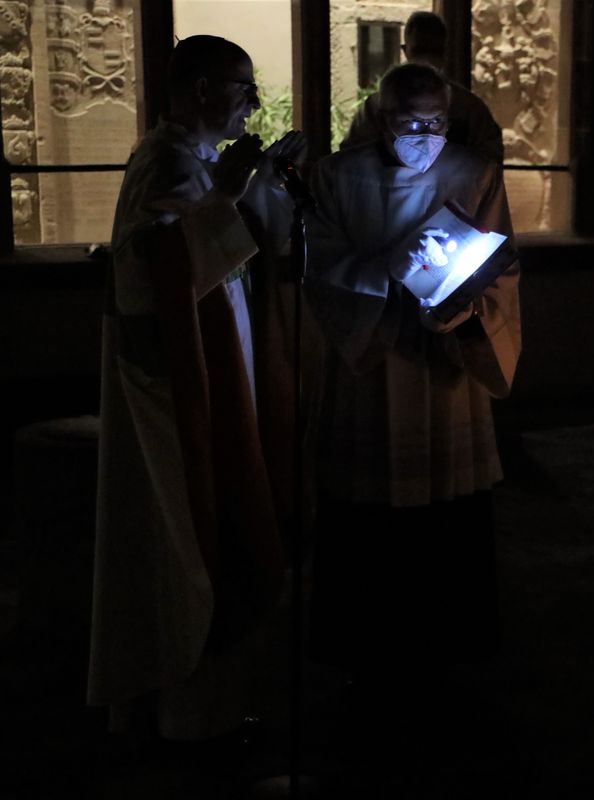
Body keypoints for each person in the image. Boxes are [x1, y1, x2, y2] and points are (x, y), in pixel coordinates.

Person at [88, 35, 306, 745]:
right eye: (244, 89)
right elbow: (156, 271)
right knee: (185, 532)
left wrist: (260, 182)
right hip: (173, 385)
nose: (253, 104)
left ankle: (219, 701)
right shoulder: (165, 159)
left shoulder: (197, 157)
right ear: (203, 89)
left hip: (215, 360)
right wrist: (227, 196)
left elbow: (229, 243)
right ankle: (187, 712)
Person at [304, 62, 519, 774]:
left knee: (443, 526)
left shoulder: (475, 174)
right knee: (370, 523)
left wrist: (461, 308)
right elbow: (320, 266)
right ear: (380, 118)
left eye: (436, 123)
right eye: (408, 123)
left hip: (442, 367)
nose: (424, 137)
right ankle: (367, 663)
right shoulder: (338, 177)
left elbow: (500, 266)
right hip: (371, 372)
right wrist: (390, 273)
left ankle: (442, 660)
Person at [341, 10, 504, 163]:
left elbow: (490, 164)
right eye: (421, 50)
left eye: (433, 51)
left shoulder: (471, 109)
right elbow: (350, 160)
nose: (426, 60)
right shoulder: (471, 108)